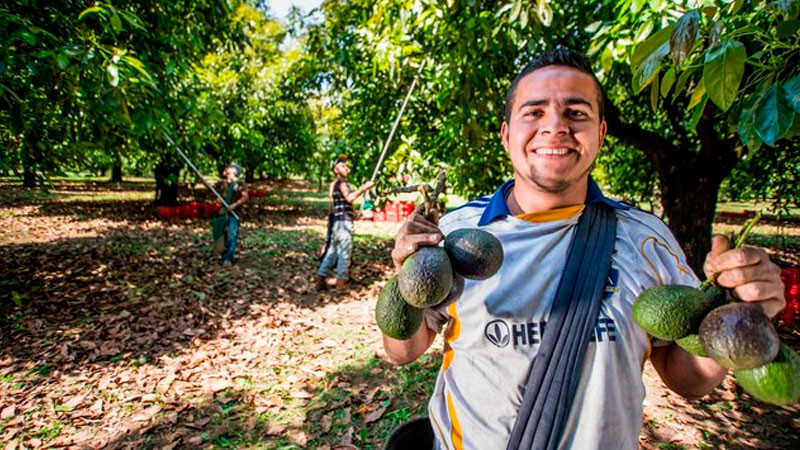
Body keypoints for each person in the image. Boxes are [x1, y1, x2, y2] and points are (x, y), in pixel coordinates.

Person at [383, 49, 785, 449]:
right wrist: (406, 281)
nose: (555, 126)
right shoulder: (454, 233)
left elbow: (690, 381)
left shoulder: (647, 240)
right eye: (534, 112)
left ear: (601, 133)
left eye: (576, 113)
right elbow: (402, 351)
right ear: (506, 134)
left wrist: (736, 316)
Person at [315, 154, 375, 291]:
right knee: (344, 254)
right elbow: (349, 198)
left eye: (346, 165)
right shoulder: (342, 184)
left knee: (331, 254)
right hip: (343, 225)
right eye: (342, 166)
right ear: (336, 170)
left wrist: (356, 215)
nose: (346, 168)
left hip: (338, 223)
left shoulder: (336, 185)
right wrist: (364, 188)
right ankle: (340, 285)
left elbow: (344, 206)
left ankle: (320, 281)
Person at [213, 163, 248, 266]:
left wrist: (234, 205)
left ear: (235, 171)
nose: (227, 169)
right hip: (222, 213)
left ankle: (227, 258)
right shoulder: (222, 183)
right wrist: (218, 201)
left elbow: (245, 197)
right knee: (222, 234)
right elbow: (216, 195)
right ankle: (224, 255)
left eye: (230, 168)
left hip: (234, 213)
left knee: (232, 235)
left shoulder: (239, 184)